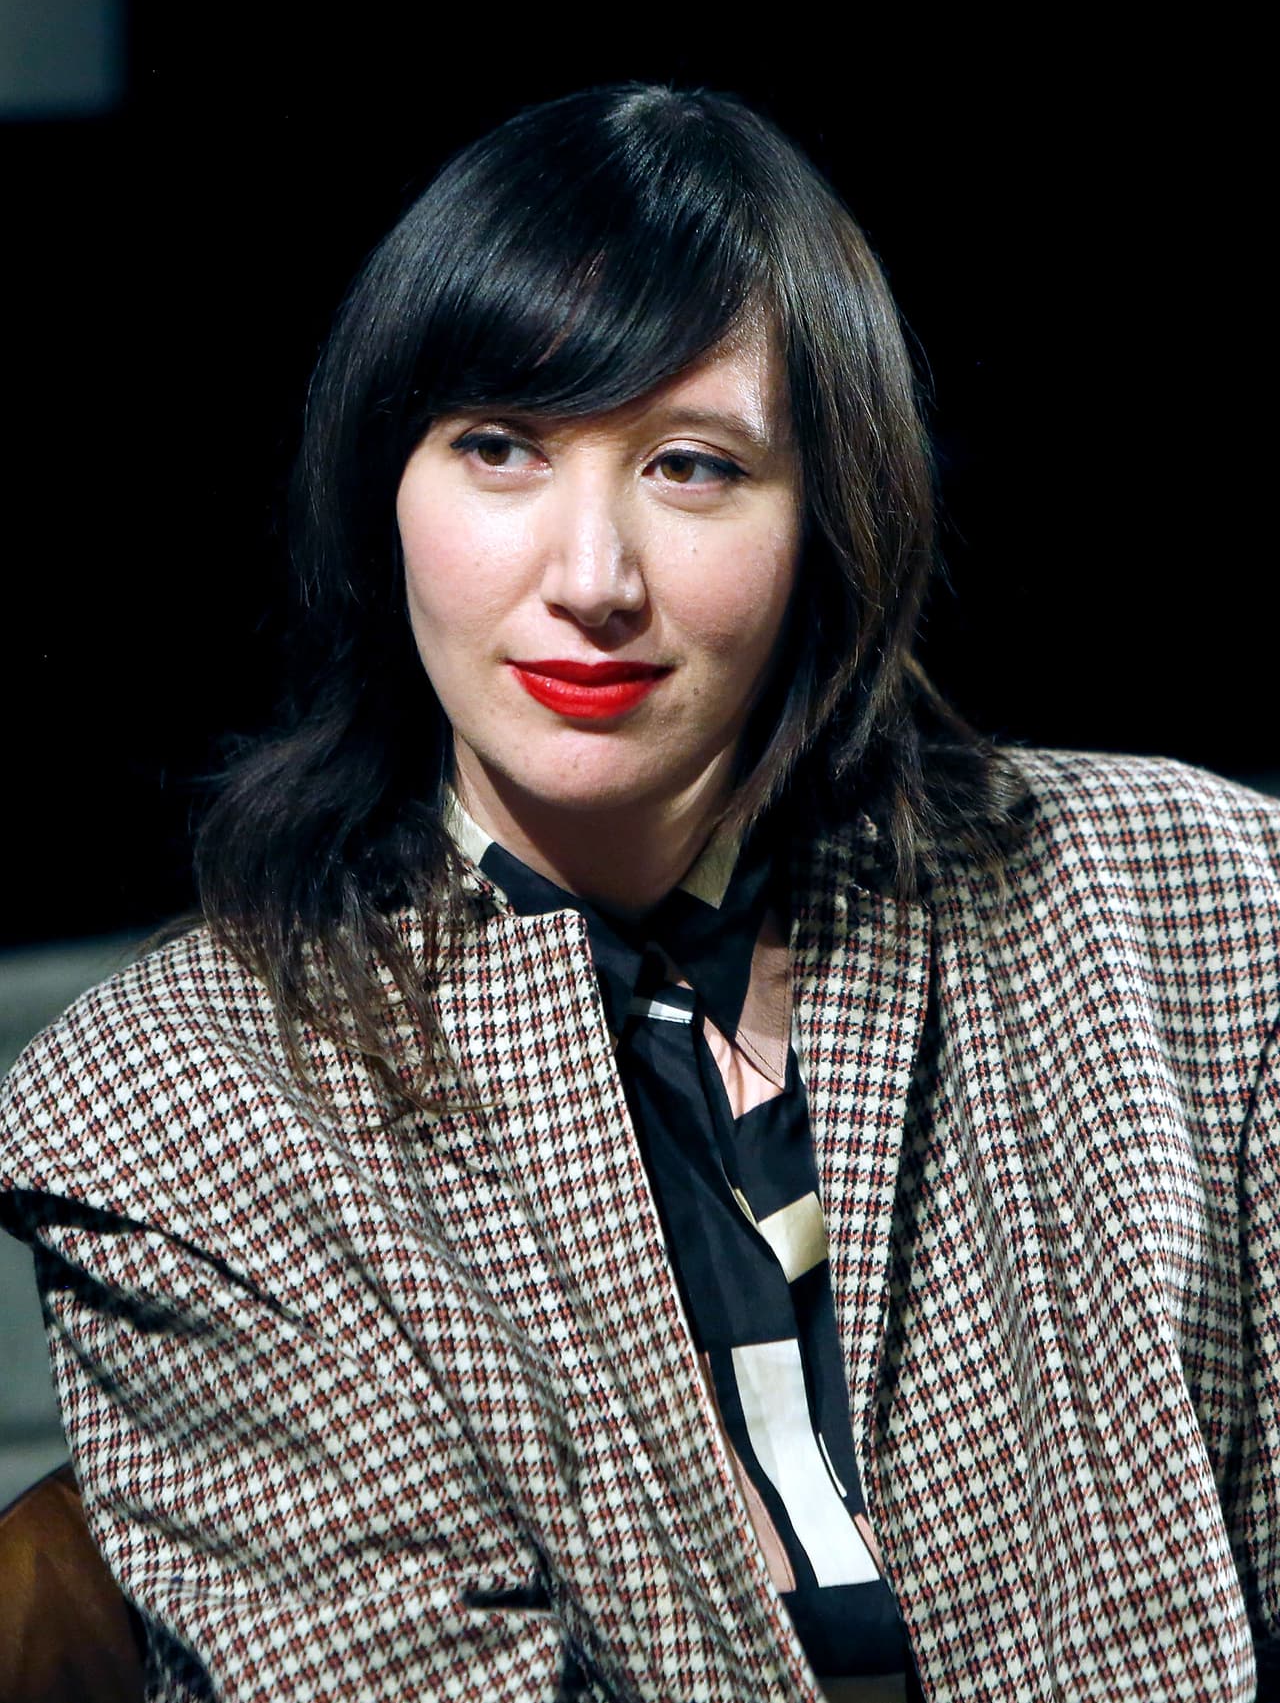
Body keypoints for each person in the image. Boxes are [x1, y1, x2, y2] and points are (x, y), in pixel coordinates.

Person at [1, 82, 1276, 1703]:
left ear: (829, 518)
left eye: (690, 465)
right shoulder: (177, 1101)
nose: (592, 579)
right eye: (500, 448)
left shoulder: (1193, 899)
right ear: (384, 485)